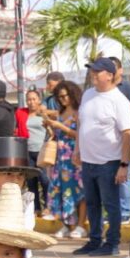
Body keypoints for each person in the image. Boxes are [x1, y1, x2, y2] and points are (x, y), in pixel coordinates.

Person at [73, 56, 130, 257]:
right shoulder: (88, 94)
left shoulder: (119, 100)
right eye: (92, 71)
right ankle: (95, 240)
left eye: (97, 72)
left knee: (111, 204)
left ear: (109, 75)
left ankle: (112, 243)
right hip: (88, 160)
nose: (93, 75)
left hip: (109, 161)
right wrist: (77, 149)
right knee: (92, 203)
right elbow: (81, 123)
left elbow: (127, 134)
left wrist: (124, 164)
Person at [44, 81, 86, 239]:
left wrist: (60, 126)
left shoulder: (79, 111)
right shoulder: (61, 112)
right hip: (60, 158)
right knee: (61, 191)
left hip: (75, 156)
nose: (62, 99)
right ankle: (67, 224)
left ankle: (81, 225)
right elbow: (57, 135)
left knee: (79, 192)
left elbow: (80, 135)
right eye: (59, 97)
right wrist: (49, 127)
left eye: (64, 96)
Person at [110, 57, 130, 224]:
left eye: (114, 68)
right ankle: (115, 211)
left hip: (126, 135)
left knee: (124, 174)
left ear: (121, 70)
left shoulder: (127, 87)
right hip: (110, 139)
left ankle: (126, 212)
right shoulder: (102, 90)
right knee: (113, 176)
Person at [17, 88, 50, 214]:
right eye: (28, 100)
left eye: (33, 99)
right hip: (27, 150)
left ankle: (47, 206)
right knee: (31, 181)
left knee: (45, 180)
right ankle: (36, 208)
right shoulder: (22, 114)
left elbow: (50, 129)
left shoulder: (43, 113)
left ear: (39, 100)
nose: (31, 102)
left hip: (41, 150)